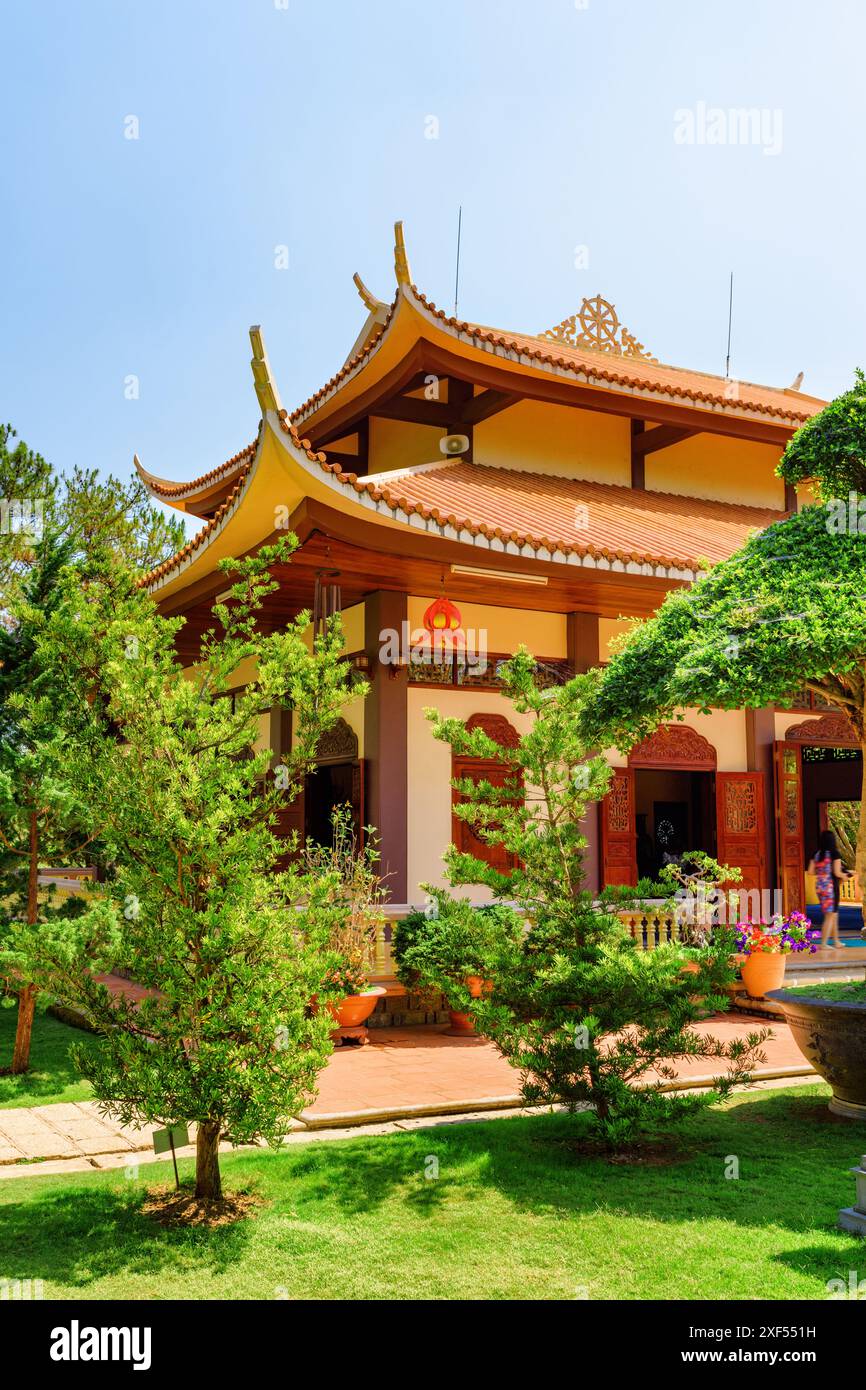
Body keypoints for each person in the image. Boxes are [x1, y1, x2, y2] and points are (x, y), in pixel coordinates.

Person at [807, 830, 853, 949]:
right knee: (829, 916)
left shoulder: (816, 854)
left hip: (820, 887)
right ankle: (823, 944)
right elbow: (837, 873)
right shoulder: (834, 853)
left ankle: (836, 941)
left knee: (833, 914)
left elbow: (811, 872)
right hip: (831, 888)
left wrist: (822, 872)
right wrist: (846, 876)